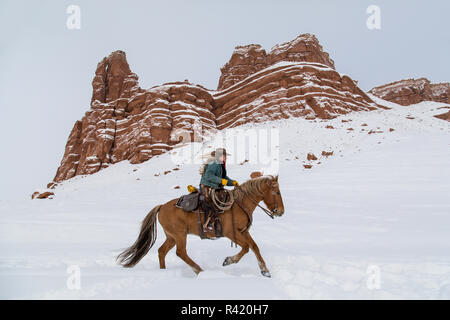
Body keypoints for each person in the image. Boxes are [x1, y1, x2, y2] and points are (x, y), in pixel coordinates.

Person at [199, 148, 238, 234]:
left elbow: (224, 177)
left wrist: (232, 182)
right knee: (212, 202)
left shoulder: (220, 165)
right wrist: (221, 181)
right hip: (206, 186)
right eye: (224, 156)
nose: (225, 157)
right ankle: (207, 224)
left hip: (215, 187)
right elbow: (209, 175)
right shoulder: (214, 163)